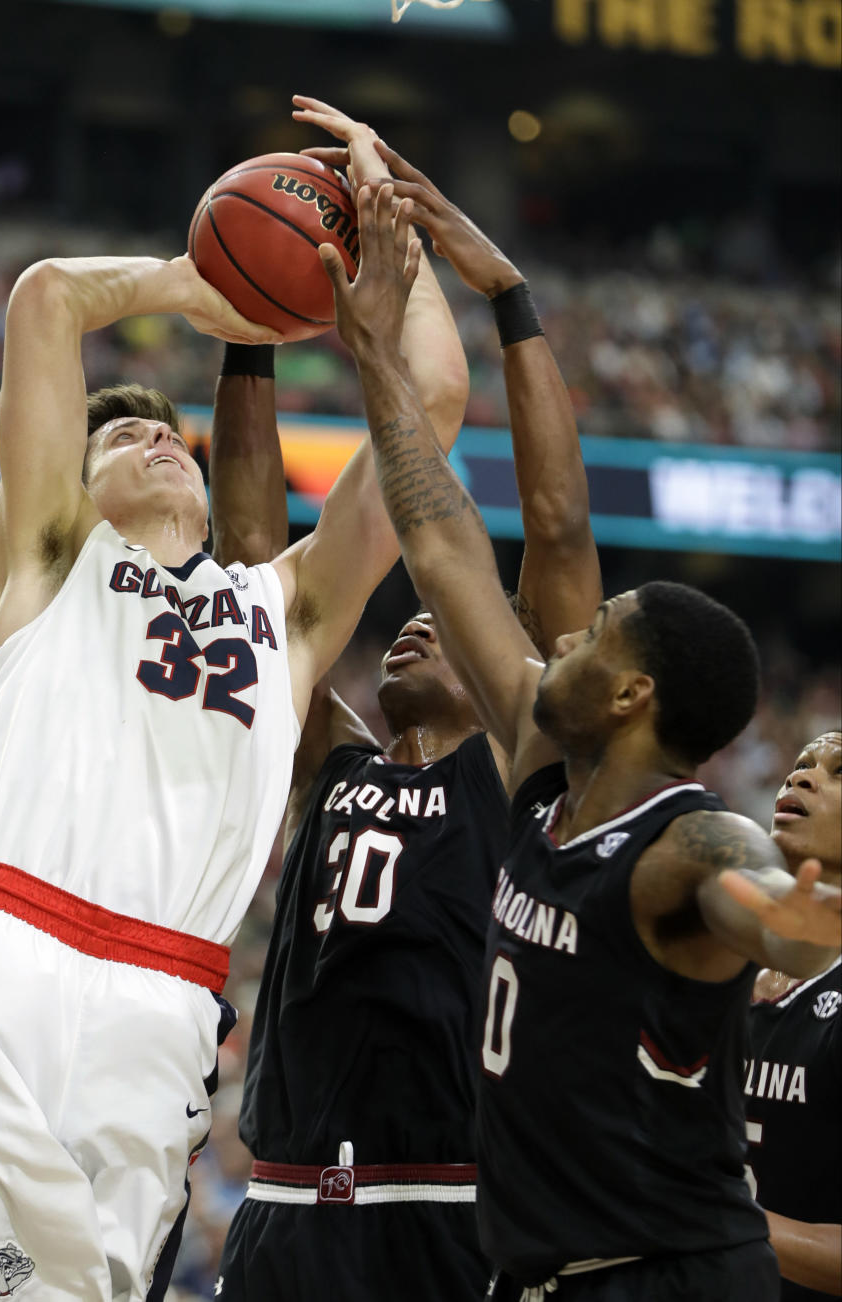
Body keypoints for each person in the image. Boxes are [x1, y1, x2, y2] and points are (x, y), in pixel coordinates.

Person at [0, 224, 463, 1302]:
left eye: (170, 434)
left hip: (166, 1004)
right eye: (123, 436)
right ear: (66, 481)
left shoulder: (282, 610)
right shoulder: (54, 558)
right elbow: (47, 297)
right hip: (12, 958)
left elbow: (432, 412)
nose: (157, 437)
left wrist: (399, 253)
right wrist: (193, 289)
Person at [321, 165, 842, 1301]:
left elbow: (746, 892)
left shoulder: (686, 846)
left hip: (666, 1277)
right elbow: (441, 531)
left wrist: (782, 917)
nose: (559, 640)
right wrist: (399, 338)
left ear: (633, 696)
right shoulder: (545, 767)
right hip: (543, 1273)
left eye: (595, 634)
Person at [212, 98, 602, 1302]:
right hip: (283, 1205)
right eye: (405, 619)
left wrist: (510, 301)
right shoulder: (331, 758)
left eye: (449, 613)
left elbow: (556, 530)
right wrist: (252, 332)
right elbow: (248, 556)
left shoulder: (527, 769)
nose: (418, 621)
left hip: (451, 1202)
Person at [746, 730, 841, 1300]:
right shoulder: (722, 966)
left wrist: (713, 1221)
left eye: (838, 772)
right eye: (801, 763)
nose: (800, 776)